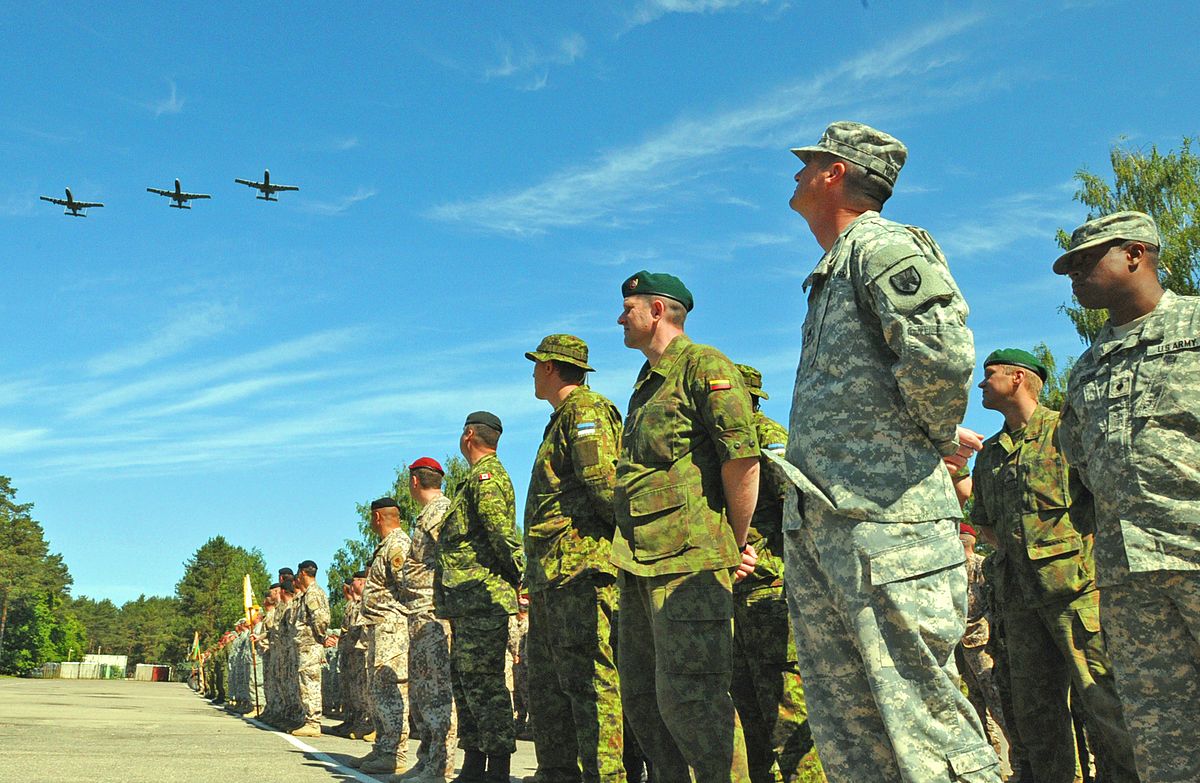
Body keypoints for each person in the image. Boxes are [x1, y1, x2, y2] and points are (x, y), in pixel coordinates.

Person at [782, 121, 998, 782]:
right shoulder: (832, 269)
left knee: (925, 727)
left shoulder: (880, 246)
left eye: (808, 161)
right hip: (832, 525)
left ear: (836, 172)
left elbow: (941, 353)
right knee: (856, 737)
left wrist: (928, 438)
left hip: (888, 525)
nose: (796, 173)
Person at [1054, 211, 1200, 782]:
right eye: (1069, 266)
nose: (1074, 275)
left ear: (1137, 254)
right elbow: (1081, 469)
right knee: (1163, 738)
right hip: (1128, 579)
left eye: (1087, 260)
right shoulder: (1088, 367)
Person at [613, 271, 760, 783]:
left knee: (693, 701)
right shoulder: (645, 384)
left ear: (656, 310)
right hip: (636, 561)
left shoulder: (703, 365)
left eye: (627, 308)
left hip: (689, 562)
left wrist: (734, 544)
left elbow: (741, 458)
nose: (619, 318)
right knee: (642, 699)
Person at [972, 347, 1138, 783]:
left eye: (990, 375)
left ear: (1019, 378)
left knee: (1102, 700)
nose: (981, 384)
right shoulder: (989, 453)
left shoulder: (1066, 431)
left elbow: (1103, 499)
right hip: (1019, 600)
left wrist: (1074, 556)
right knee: (1036, 713)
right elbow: (985, 524)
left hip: (1077, 594)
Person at [522, 334, 626, 783]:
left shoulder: (585, 411)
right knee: (549, 686)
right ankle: (557, 772)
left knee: (589, 681)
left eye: (536, 365)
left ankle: (605, 776)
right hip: (554, 574)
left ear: (550, 367)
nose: (532, 373)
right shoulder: (562, 418)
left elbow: (606, 486)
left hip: (581, 570)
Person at [730, 363, 812, 783]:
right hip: (736, 598)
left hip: (771, 592)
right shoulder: (727, 442)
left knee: (787, 710)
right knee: (748, 715)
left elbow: (799, 511)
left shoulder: (768, 437)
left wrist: (764, 561)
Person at [435, 412, 525, 783]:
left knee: (485, 683)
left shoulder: (486, 478)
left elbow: (502, 534)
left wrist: (523, 576)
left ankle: (498, 768)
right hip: (467, 600)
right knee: (467, 681)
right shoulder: (472, 479)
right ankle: (474, 763)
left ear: (469, 435)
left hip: (484, 598)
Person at [401, 457, 458, 783]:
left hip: (435, 614)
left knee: (437, 694)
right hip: (421, 614)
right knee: (423, 694)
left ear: (414, 481)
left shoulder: (439, 512)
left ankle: (440, 766)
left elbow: (452, 557)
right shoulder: (427, 514)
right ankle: (427, 761)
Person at [351, 497, 414, 775]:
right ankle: (382, 748)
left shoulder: (398, 545)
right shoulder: (385, 547)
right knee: (378, 690)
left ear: (377, 517)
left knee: (391, 690)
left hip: (393, 628)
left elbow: (407, 587)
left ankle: (395, 753)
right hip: (379, 627)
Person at [952, 523, 1014, 776]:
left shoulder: (981, 566)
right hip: (959, 645)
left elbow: (991, 603)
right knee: (975, 705)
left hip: (982, 644)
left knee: (997, 700)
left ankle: (1018, 760)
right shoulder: (952, 568)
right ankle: (990, 760)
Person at [291, 560, 331, 737]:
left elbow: (320, 619)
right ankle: (309, 719)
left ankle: (313, 722)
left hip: (311, 645)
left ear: (302, 574)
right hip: (306, 645)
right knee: (305, 683)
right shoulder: (309, 593)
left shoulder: (313, 593)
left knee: (310, 684)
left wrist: (320, 637)